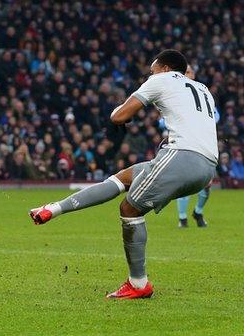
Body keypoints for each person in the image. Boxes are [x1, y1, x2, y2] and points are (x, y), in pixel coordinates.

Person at [28, 50, 218, 299]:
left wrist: (115, 121)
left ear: (164, 67)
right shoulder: (203, 89)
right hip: (207, 166)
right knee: (125, 177)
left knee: (129, 210)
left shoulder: (162, 79)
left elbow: (119, 115)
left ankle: (138, 284)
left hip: (182, 157)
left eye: (152, 70)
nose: (150, 75)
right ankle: (52, 209)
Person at [174, 65, 218, 228]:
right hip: (183, 143)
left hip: (204, 143)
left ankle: (198, 212)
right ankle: (182, 218)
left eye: (190, 72)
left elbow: (216, 115)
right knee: (185, 183)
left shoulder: (203, 91)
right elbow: (162, 119)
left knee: (206, 185)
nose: (188, 74)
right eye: (185, 72)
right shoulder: (176, 93)